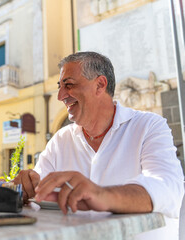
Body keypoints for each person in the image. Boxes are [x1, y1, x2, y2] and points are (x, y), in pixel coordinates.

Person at [14, 51, 184, 240]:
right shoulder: (60, 140)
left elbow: (169, 188)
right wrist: (26, 190)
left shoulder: (149, 126)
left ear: (100, 85)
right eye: (60, 87)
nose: (61, 96)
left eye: (69, 85)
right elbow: (40, 198)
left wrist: (102, 195)